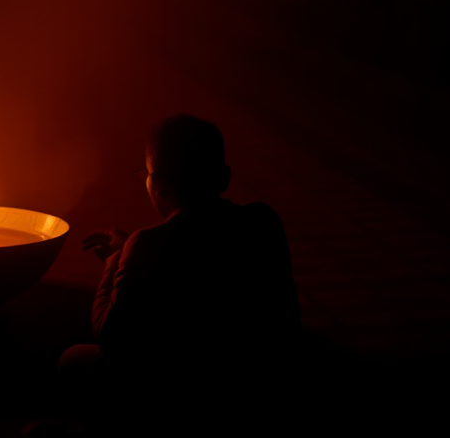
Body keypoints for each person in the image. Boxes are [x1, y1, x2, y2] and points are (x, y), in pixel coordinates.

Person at [62, 114, 299, 424]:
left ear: (157, 186)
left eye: (145, 174)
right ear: (224, 178)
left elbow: (110, 337)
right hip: (261, 386)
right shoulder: (263, 222)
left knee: (72, 360)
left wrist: (114, 263)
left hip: (174, 397)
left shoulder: (146, 244)